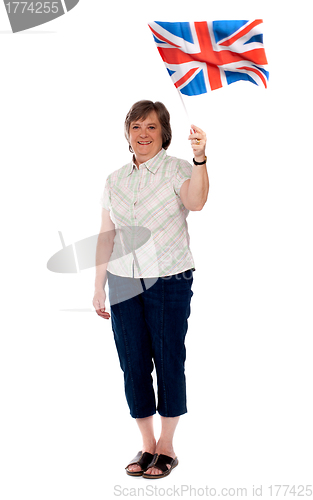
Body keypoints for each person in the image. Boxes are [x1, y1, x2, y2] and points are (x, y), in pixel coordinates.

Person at [92, 100, 209, 479]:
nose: (143, 134)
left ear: (164, 133)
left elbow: (197, 201)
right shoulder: (115, 180)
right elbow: (106, 234)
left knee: (168, 357)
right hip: (123, 280)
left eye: (152, 127)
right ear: (128, 132)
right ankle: (146, 443)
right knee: (133, 361)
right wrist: (98, 286)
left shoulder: (178, 169)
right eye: (137, 126)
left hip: (169, 277)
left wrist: (201, 159)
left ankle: (167, 445)